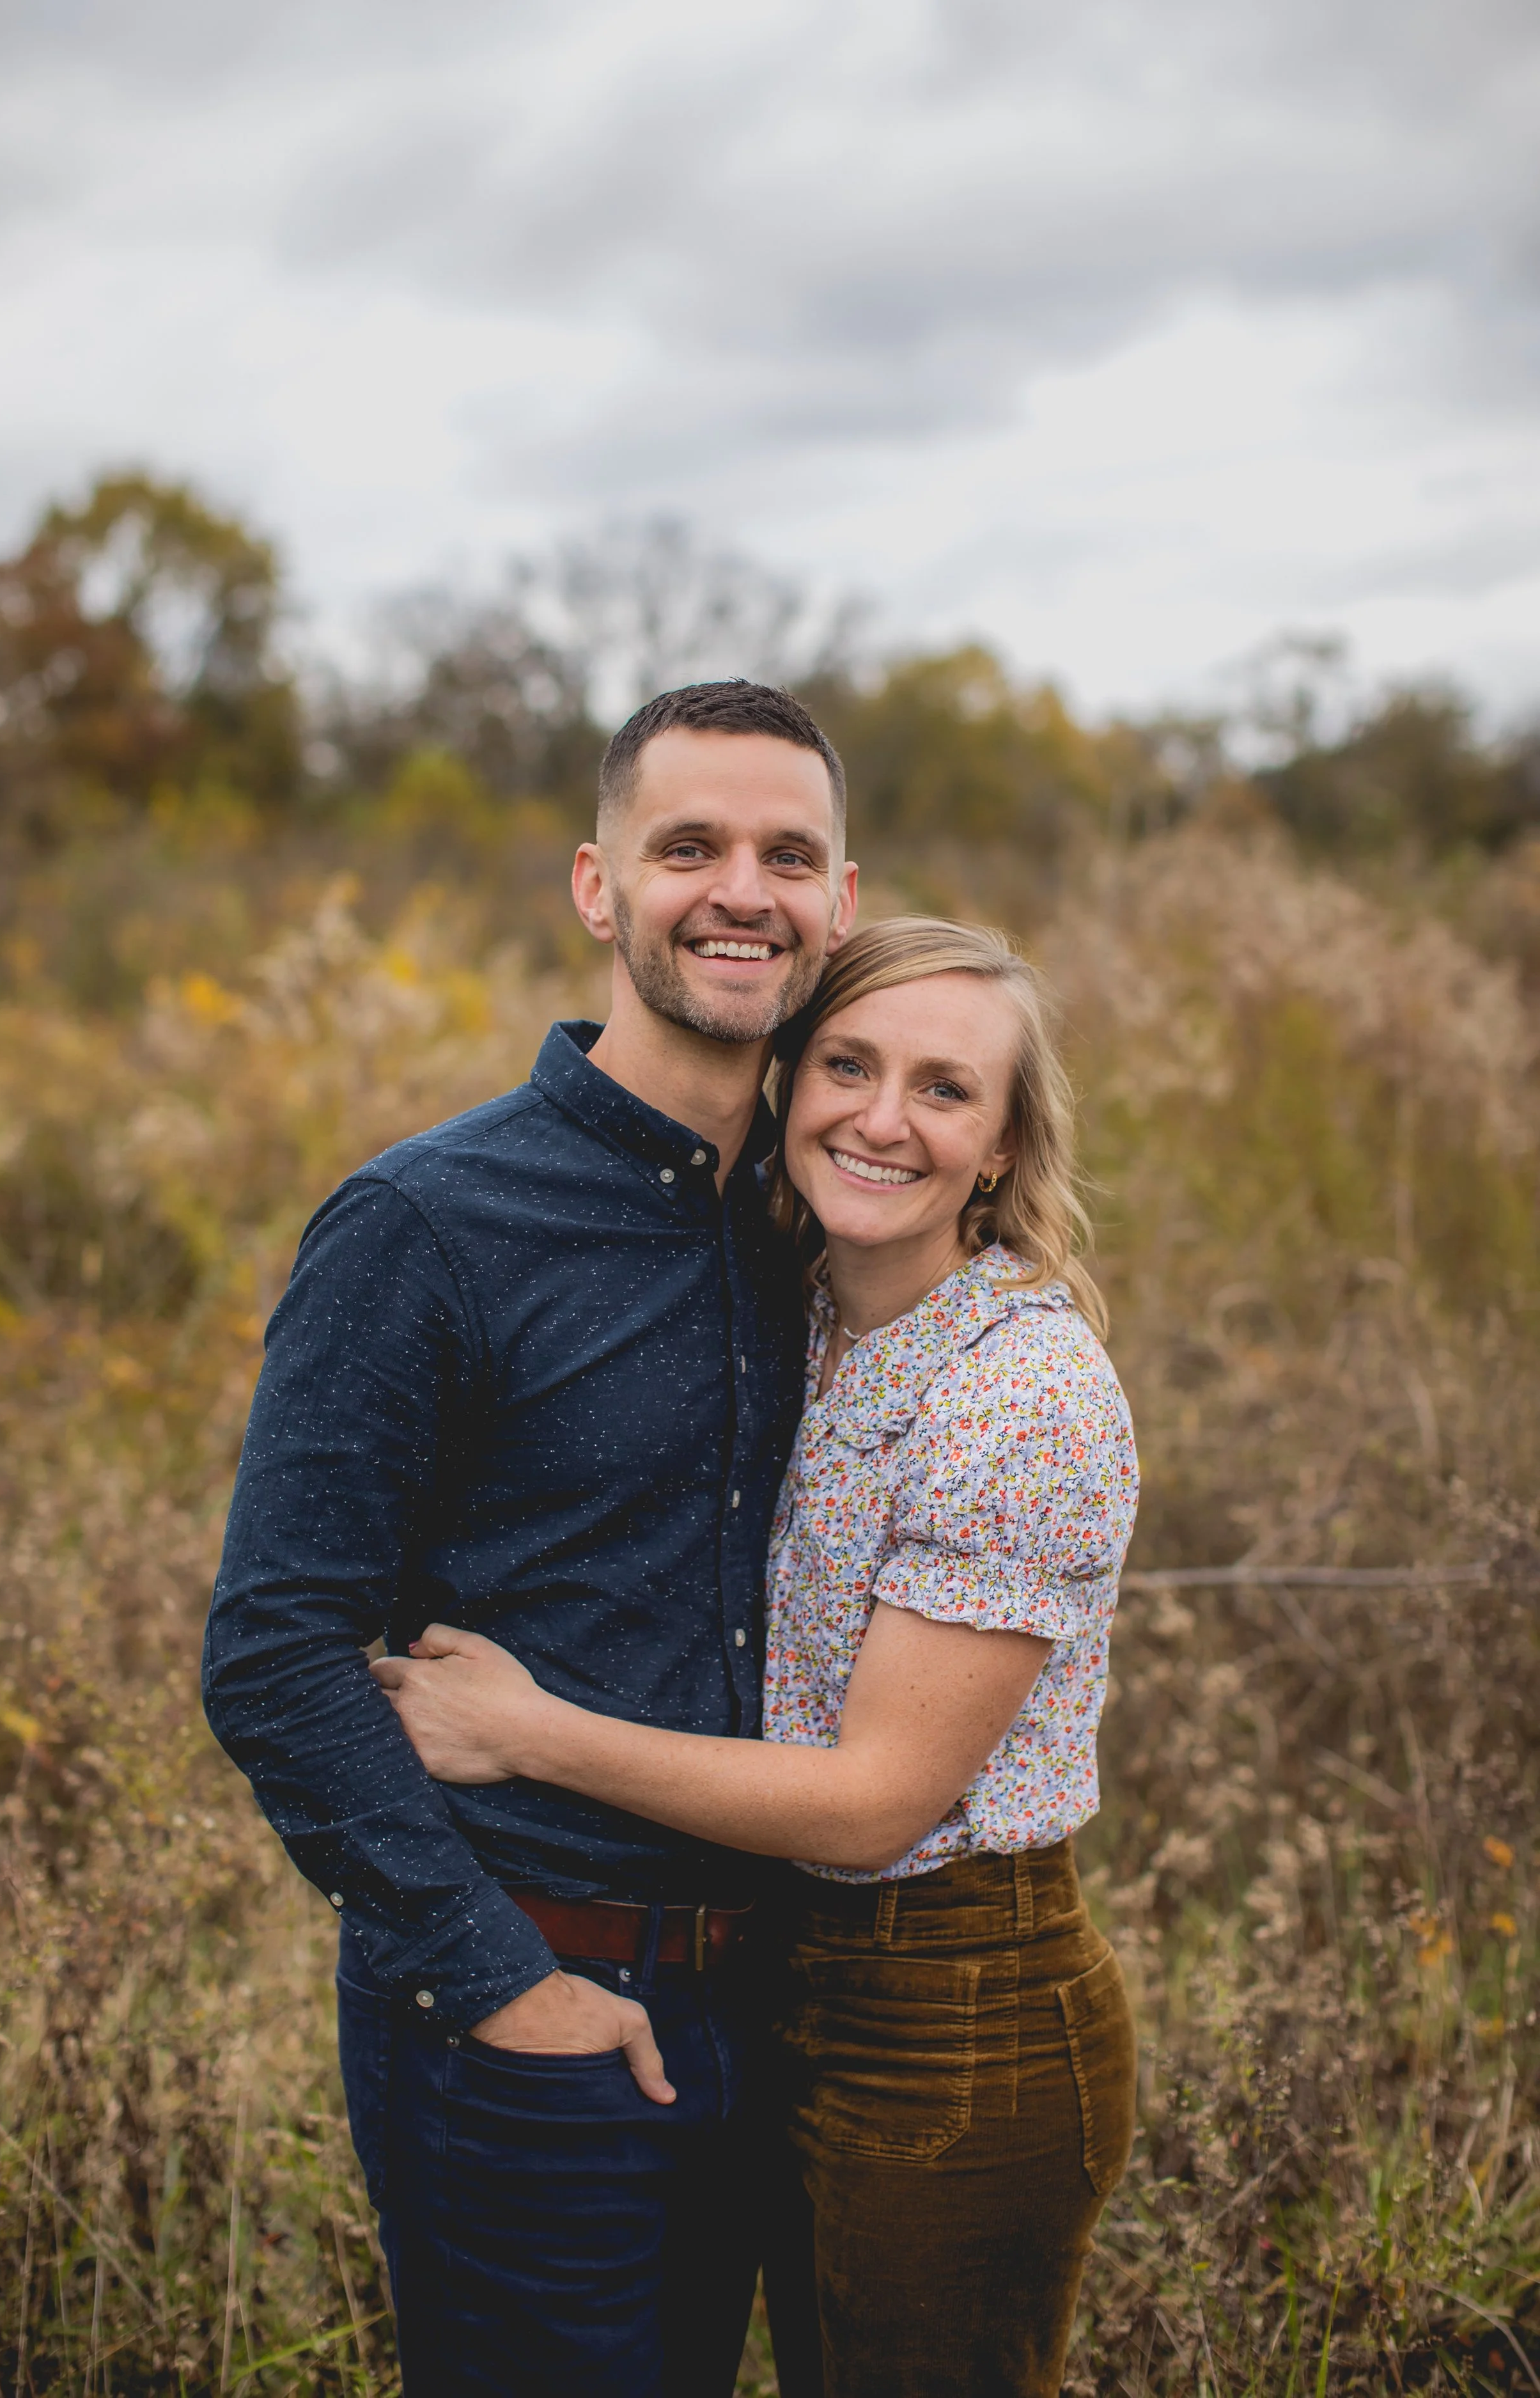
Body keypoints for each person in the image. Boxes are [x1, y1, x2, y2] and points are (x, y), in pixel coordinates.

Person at [375, 915, 1141, 2398]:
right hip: (777, 1973)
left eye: (943, 1090)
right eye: (847, 1065)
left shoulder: (1019, 1390)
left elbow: (869, 1804)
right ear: (786, 1084)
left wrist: (532, 1733)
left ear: (997, 1147)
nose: (880, 1118)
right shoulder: (797, 1315)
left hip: (952, 2007)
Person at [201, 678, 858, 2398]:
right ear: (595, 885)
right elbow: (275, 1652)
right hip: (529, 2016)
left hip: (781, 2007)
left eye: (788, 852)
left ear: (839, 900)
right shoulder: (426, 1223)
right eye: (687, 845)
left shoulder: (834, 1222)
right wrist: (503, 1984)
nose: (742, 889)